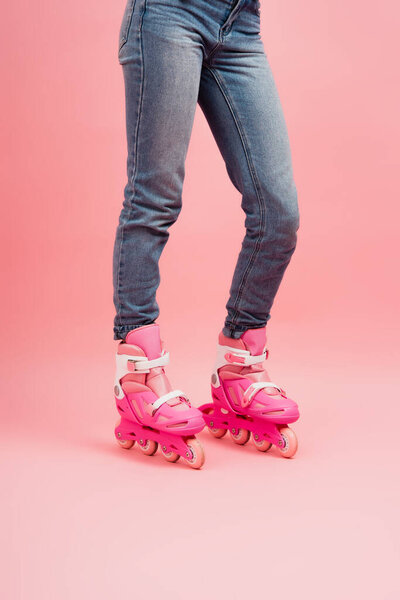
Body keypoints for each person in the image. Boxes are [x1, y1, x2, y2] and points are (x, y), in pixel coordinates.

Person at [112, 0, 300, 469]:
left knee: (278, 211)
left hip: (241, 23)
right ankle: (138, 376)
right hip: (169, 13)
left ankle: (237, 364)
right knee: (155, 199)